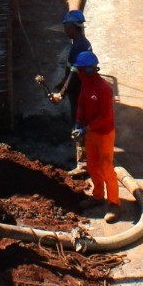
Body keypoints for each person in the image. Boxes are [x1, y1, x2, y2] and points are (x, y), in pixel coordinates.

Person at [40, 9, 93, 176]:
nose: (64, 30)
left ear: (73, 27)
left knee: (79, 126)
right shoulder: (81, 43)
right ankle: (85, 160)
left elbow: (74, 74)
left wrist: (61, 93)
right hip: (80, 91)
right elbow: (71, 72)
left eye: (66, 26)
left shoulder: (79, 47)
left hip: (80, 93)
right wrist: (62, 85)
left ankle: (83, 165)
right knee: (78, 124)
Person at [72, 51, 121, 222]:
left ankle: (114, 203)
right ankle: (98, 195)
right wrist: (78, 122)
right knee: (92, 166)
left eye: (80, 70)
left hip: (104, 134)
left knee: (107, 168)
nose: (79, 73)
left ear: (90, 70)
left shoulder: (104, 88)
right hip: (90, 133)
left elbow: (106, 117)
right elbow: (81, 104)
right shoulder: (85, 84)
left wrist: (87, 128)